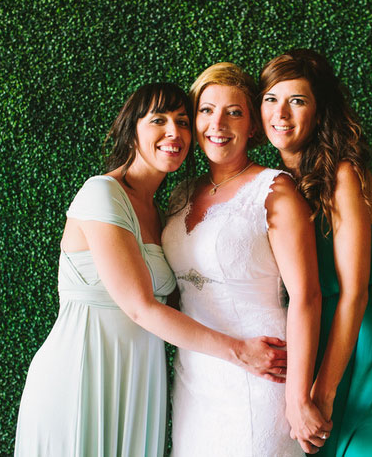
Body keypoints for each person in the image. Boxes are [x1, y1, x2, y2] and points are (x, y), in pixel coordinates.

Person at [14, 82, 289, 457]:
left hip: (139, 380)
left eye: (182, 121)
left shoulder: (165, 213)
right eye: (159, 120)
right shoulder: (101, 193)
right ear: (132, 130)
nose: (174, 132)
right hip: (82, 372)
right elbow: (140, 307)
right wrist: (240, 351)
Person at [259, 49, 372, 456]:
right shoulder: (279, 182)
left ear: (320, 111)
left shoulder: (343, 173)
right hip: (322, 329)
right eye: (270, 99)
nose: (280, 113)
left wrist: (324, 389)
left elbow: (355, 291)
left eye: (297, 100)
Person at [161, 63, 332, 456]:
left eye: (234, 112)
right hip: (195, 378)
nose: (217, 123)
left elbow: (307, 296)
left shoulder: (274, 189)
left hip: (264, 372)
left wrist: (297, 396)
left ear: (253, 126)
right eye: (206, 110)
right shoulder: (181, 195)